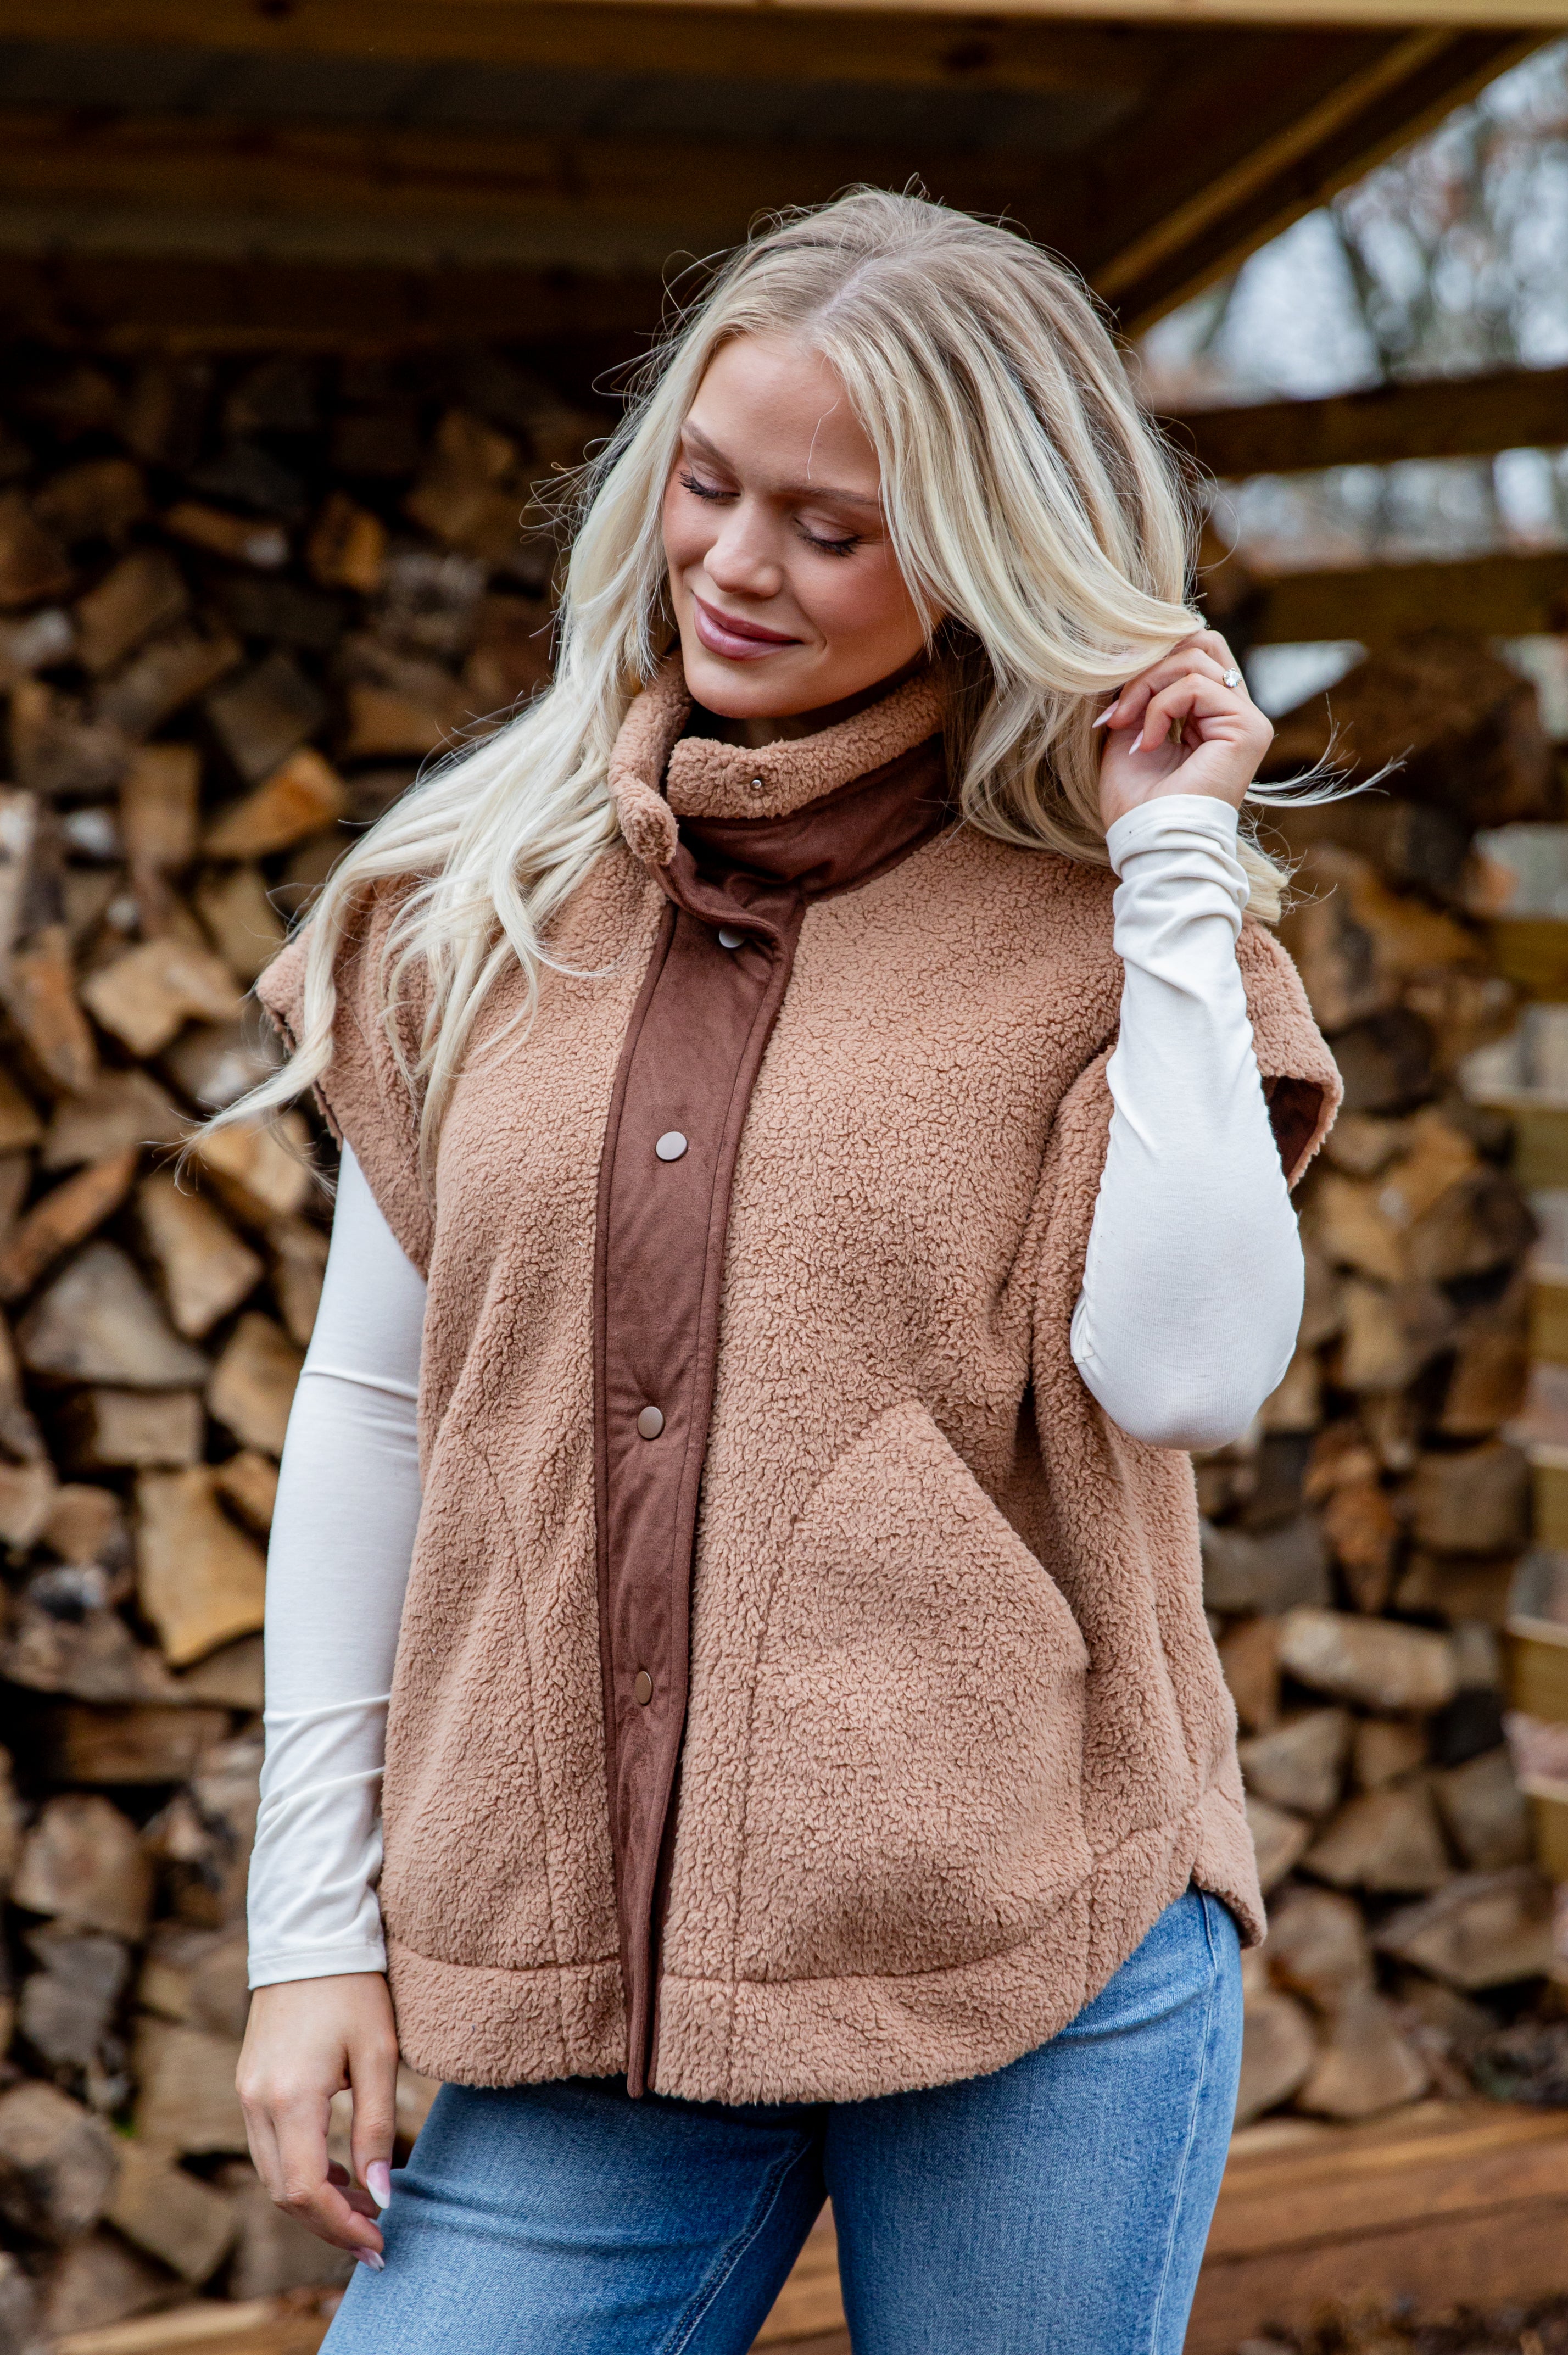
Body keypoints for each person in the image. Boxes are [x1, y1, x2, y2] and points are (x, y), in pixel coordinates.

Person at [233, 187, 1340, 2354]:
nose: (733, 565)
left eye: (831, 529)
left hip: (1034, 1964)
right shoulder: (476, 902)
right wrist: (310, 1929)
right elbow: (372, 1408)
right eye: (709, 489)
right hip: (586, 1998)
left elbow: (1192, 1369)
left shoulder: (1101, 940)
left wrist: (1178, 866)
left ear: (978, 556)